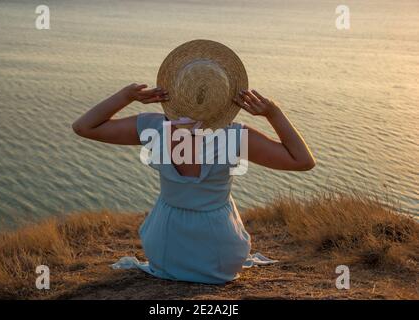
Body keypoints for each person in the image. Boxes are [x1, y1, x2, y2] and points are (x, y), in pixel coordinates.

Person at [72, 40, 315, 284]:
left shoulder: (153, 128)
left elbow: (83, 127)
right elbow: (303, 161)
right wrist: (273, 113)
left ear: (175, 90)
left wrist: (126, 96)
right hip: (221, 254)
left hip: (165, 249)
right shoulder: (236, 137)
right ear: (225, 98)